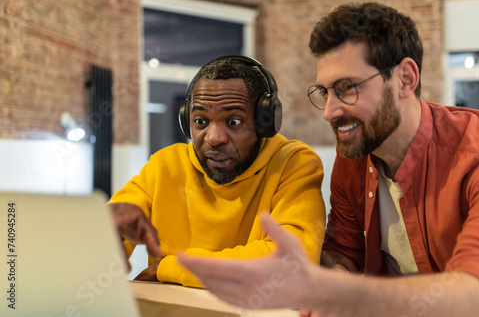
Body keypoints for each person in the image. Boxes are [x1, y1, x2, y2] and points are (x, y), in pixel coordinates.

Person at [177, 2, 479, 316]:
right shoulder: (355, 155)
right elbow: (342, 251)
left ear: (405, 79)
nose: (330, 112)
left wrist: (340, 294)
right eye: (325, 91)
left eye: (347, 88)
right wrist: (335, 277)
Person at [108, 55, 326, 288]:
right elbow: (104, 233)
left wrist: (172, 268)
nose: (214, 138)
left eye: (233, 122)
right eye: (201, 121)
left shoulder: (293, 164)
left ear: (265, 122)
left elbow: (292, 261)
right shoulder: (164, 166)